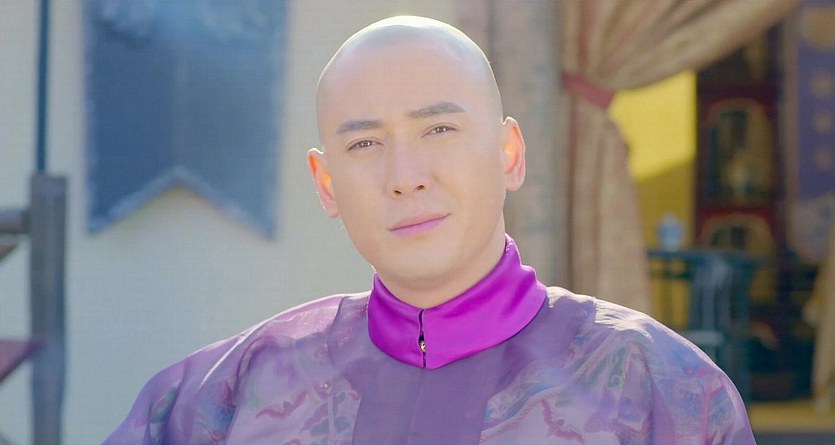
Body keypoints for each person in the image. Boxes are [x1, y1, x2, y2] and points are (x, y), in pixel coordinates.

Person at [104, 16, 756, 444]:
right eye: (365, 144)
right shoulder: (226, 394)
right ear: (326, 184)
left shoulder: (657, 388)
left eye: (438, 129)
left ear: (508, 154)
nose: (405, 176)